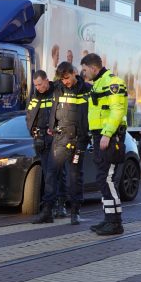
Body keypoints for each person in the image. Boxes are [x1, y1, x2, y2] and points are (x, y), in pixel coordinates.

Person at [32, 61, 91, 225]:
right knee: (50, 174)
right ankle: (47, 212)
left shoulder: (86, 89)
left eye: (67, 78)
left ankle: (75, 211)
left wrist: (88, 135)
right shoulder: (57, 87)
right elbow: (42, 96)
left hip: (78, 140)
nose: (65, 82)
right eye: (62, 79)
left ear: (74, 73)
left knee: (75, 176)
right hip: (60, 139)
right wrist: (47, 128)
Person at [81, 53, 128, 236]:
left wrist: (107, 134)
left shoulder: (112, 82)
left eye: (85, 70)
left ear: (93, 68)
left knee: (105, 179)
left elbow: (117, 111)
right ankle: (109, 219)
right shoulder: (98, 83)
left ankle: (115, 223)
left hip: (110, 136)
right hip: (100, 135)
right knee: (103, 178)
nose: (84, 74)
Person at [26, 70, 55, 202]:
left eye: (39, 84)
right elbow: (29, 115)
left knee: (55, 173)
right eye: (35, 85)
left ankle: (59, 204)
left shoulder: (56, 94)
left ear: (46, 81)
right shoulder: (35, 96)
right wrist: (32, 131)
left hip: (54, 138)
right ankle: (49, 203)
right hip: (40, 139)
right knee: (46, 172)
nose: (38, 88)